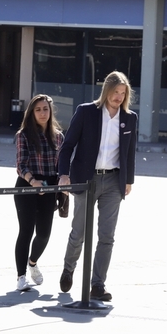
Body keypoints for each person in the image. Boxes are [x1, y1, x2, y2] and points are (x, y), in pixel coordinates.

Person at [57, 71, 137, 301]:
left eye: (123, 94)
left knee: (107, 236)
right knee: (79, 232)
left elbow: (130, 152)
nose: (119, 97)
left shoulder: (129, 118)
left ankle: (97, 285)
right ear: (107, 91)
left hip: (114, 181)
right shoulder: (86, 112)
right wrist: (64, 175)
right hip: (86, 178)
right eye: (115, 92)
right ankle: (68, 269)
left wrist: (128, 180)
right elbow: (68, 145)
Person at [13, 94, 64, 291]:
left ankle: (32, 263)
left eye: (45, 109)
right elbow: (20, 165)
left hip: (50, 186)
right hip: (27, 185)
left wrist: (62, 183)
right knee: (26, 230)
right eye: (38, 109)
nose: (42, 113)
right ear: (31, 113)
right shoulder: (23, 134)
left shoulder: (58, 136)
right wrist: (33, 181)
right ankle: (21, 276)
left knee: (44, 234)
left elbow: (62, 165)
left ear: (51, 112)